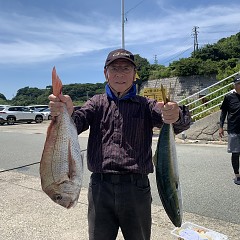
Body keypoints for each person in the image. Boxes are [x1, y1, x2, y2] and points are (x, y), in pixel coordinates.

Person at [49, 48, 191, 240]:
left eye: (126, 69)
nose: (120, 74)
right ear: (105, 73)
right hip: (100, 187)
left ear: (135, 74)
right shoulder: (96, 103)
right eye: (114, 68)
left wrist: (176, 113)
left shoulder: (146, 105)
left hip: (136, 189)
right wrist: (65, 112)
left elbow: (179, 123)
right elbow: (77, 122)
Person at [219, 74, 240, 185]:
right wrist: (221, 126)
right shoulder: (229, 97)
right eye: (238, 84)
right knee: (236, 153)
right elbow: (223, 113)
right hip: (234, 129)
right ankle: (237, 175)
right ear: (234, 85)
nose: (239, 86)